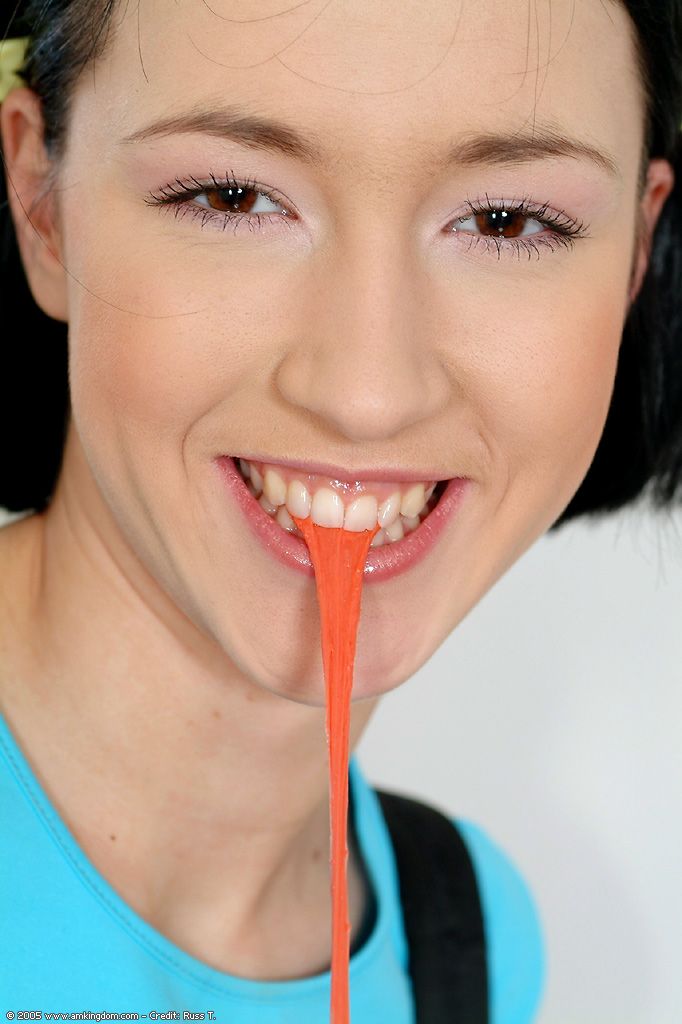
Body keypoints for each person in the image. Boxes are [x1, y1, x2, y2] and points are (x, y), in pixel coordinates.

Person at [0, 0, 680, 1020]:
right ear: (40, 202)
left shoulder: (471, 944)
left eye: (507, 220)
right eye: (232, 197)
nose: (367, 394)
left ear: (636, 248)